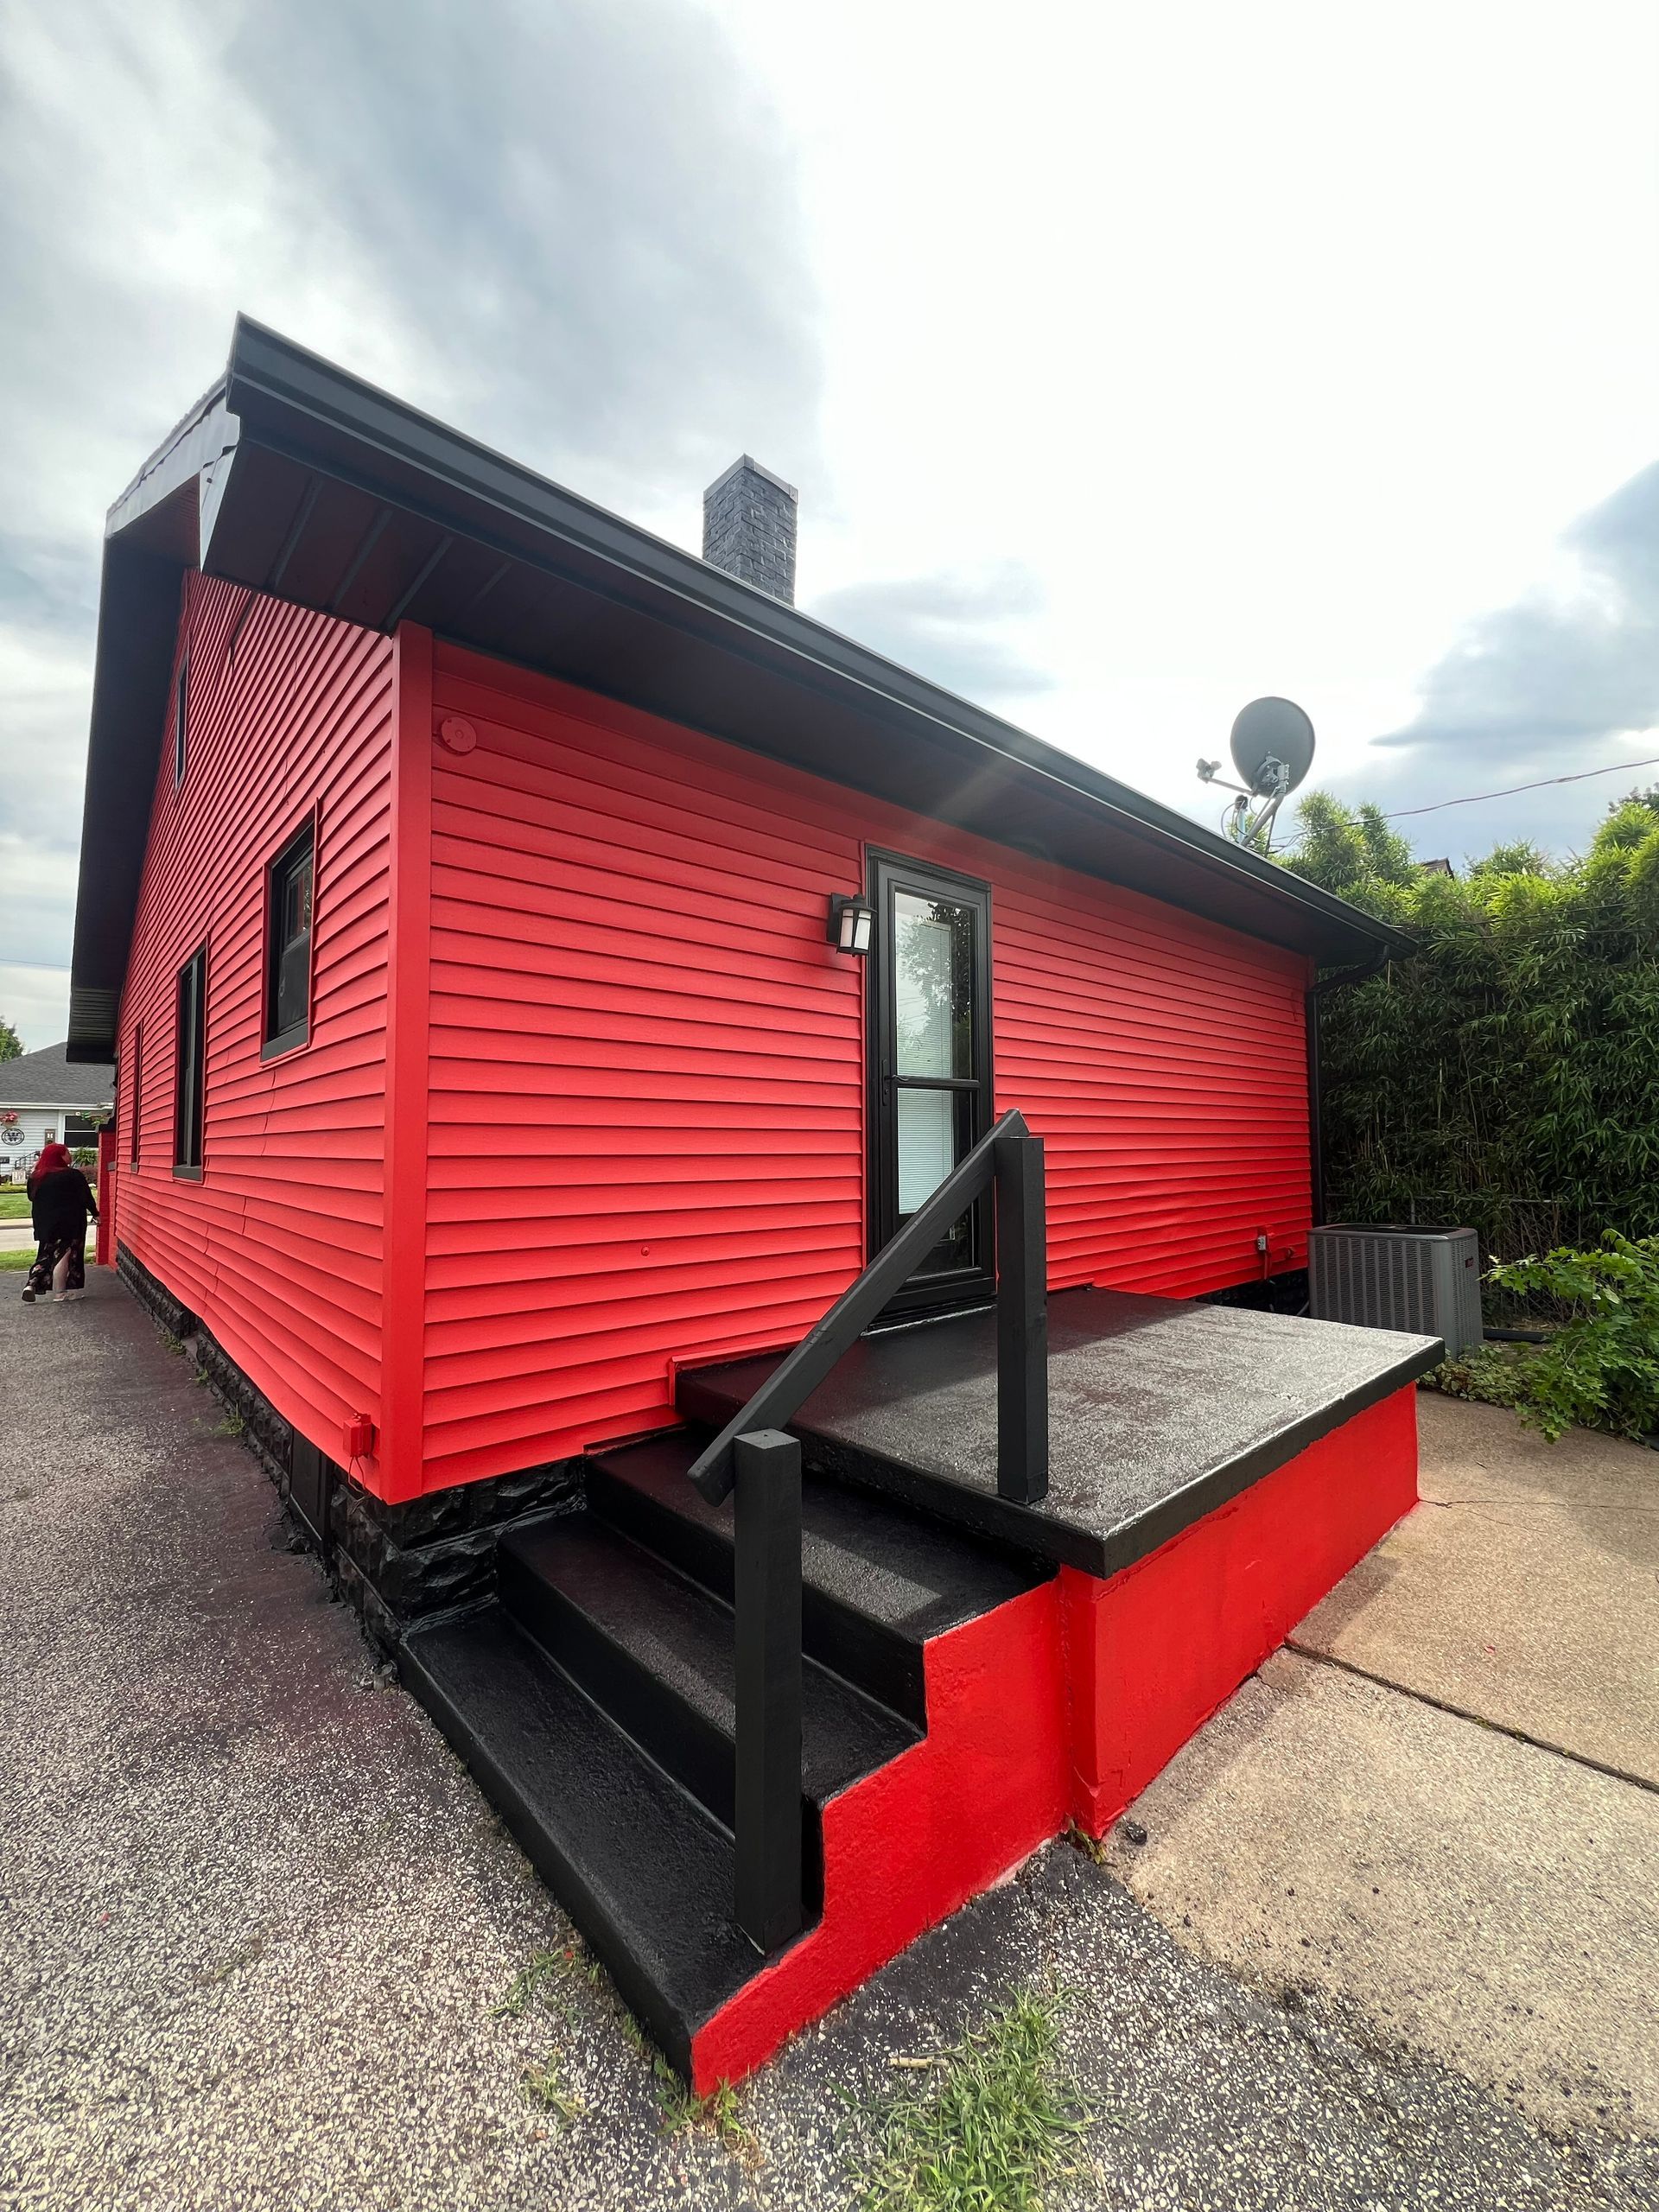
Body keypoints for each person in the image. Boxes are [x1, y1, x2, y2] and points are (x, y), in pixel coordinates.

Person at [22, 1143, 99, 1305]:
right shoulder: (72, 1175)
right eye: (67, 1153)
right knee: (64, 1254)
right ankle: (60, 1293)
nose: (70, 1156)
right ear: (60, 1156)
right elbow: (86, 1197)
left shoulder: (36, 1176)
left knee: (46, 1252)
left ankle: (31, 1284)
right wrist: (96, 1214)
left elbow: (31, 1197)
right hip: (69, 1222)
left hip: (45, 1222)